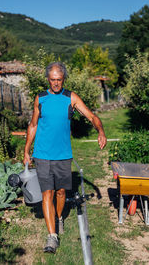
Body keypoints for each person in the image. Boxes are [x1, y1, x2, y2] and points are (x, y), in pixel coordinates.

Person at [23, 61, 107, 253]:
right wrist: (27, 151)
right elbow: (33, 125)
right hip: (42, 154)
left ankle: (59, 217)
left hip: (62, 155)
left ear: (64, 79)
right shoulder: (40, 98)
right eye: (52, 80)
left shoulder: (71, 98)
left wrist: (100, 131)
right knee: (47, 193)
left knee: (61, 192)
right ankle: (52, 236)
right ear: (47, 79)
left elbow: (92, 116)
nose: (56, 84)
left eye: (59, 80)